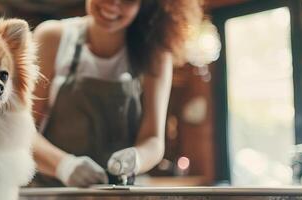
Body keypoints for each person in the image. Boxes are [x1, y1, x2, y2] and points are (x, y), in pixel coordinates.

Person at [31, 0, 202, 187]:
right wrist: (64, 165)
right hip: (51, 192)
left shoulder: (155, 54)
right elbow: (22, 131)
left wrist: (136, 159)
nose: (113, 4)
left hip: (118, 193)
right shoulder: (52, 37)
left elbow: (153, 139)